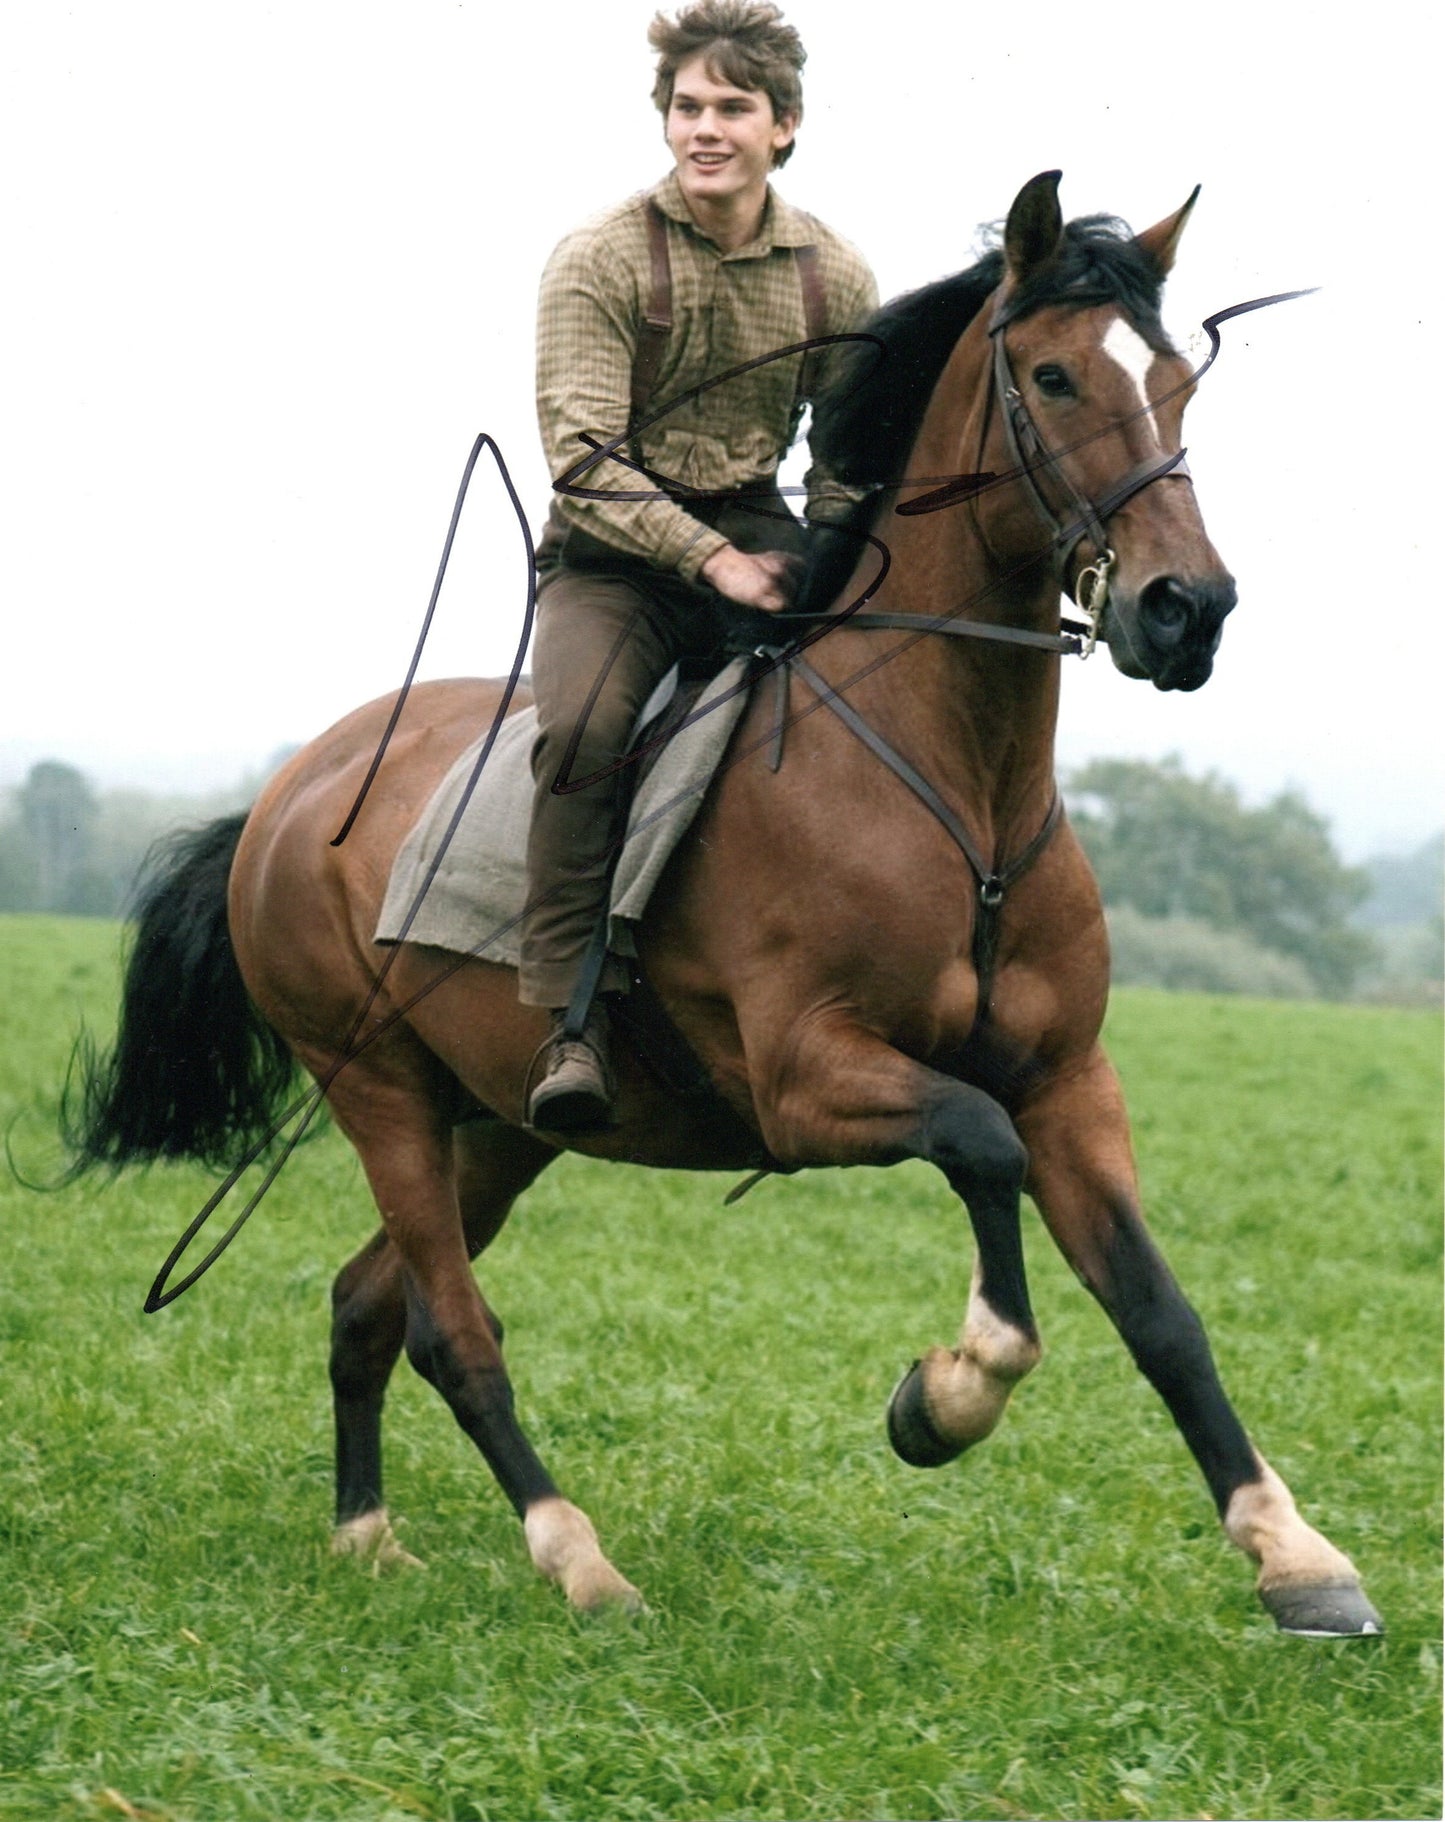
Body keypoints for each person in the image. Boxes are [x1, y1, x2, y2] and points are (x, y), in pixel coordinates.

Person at [522, 0, 878, 1131]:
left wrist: (827, 559)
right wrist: (712, 562)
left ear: (786, 126)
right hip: (613, 560)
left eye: (732, 108)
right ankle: (569, 1022)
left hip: (757, 528)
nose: (704, 128)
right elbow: (580, 456)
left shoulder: (836, 274)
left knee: (867, 700)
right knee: (580, 731)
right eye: (687, 107)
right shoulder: (600, 256)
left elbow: (845, 459)